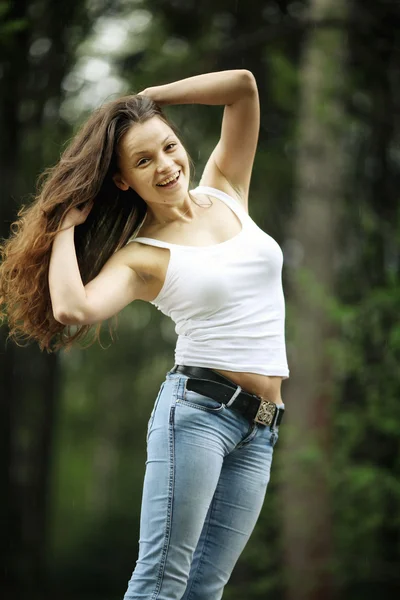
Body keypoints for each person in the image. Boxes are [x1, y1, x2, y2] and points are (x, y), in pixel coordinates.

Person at [0, 70, 289, 599]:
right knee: (160, 582)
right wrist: (64, 222)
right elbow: (71, 306)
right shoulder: (142, 256)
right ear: (122, 181)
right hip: (198, 417)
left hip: (261, 429)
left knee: (206, 590)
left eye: (169, 147)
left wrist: (147, 99)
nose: (166, 166)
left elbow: (245, 86)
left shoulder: (226, 189)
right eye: (143, 161)